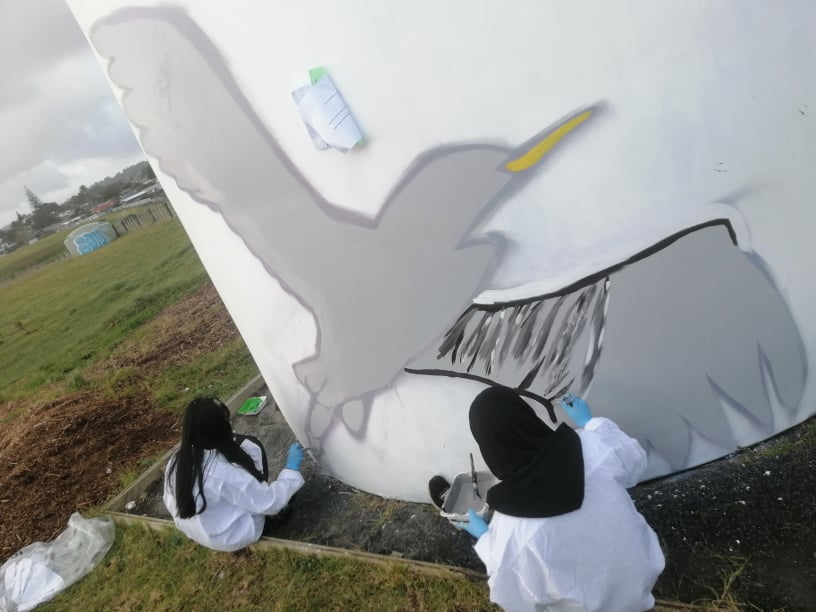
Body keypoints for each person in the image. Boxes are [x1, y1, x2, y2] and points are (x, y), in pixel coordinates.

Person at [453, 385, 665, 612]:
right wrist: (590, 423)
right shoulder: (592, 446)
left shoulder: (512, 530)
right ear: (528, 417)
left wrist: (485, 537)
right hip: (641, 581)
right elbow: (635, 461)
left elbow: (516, 598)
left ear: (488, 447)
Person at [163, 396, 305, 552]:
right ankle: (269, 524)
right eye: (226, 421)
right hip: (232, 536)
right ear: (221, 429)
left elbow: (170, 502)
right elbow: (271, 502)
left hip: (196, 530)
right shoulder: (225, 475)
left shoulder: (176, 460)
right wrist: (291, 470)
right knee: (282, 494)